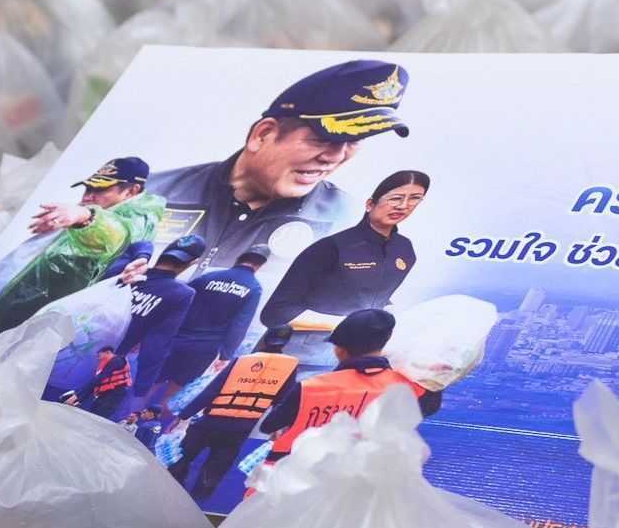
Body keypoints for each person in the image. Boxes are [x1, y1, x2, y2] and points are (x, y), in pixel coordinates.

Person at [145, 60, 411, 271]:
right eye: (324, 139)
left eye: (354, 141)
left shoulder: (351, 224)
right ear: (263, 135)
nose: (335, 157)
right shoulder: (151, 193)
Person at [0, 156, 164, 353]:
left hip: (56, 325)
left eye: (101, 190)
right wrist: (6, 299)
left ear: (131, 191)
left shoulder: (138, 218)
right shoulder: (90, 215)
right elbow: (43, 263)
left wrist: (85, 217)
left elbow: (120, 234)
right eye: (88, 189)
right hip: (25, 311)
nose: (88, 196)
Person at [260, 170, 429, 368]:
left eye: (414, 198)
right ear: (370, 204)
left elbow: (365, 294)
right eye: (396, 198)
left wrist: (389, 313)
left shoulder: (404, 250)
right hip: (301, 357)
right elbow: (276, 312)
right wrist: (348, 323)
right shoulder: (332, 247)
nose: (403, 205)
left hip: (360, 359)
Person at [257, 308, 440, 464]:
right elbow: (428, 408)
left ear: (339, 350)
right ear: (388, 338)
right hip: (355, 485)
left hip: (289, 479)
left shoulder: (309, 387)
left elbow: (269, 425)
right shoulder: (411, 389)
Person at [59, 235, 206, 419]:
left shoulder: (124, 271)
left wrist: (142, 255)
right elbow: (157, 344)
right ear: (192, 263)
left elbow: (137, 244)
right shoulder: (180, 293)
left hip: (67, 357)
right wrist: (141, 391)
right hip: (102, 372)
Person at [167, 325, 300, 500]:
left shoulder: (242, 361)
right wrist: (278, 428)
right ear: (285, 343)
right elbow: (281, 401)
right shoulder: (289, 366)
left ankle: (170, 497)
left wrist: (181, 416)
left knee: (181, 460)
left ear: (264, 340)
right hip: (239, 430)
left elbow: (211, 391)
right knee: (214, 471)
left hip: (209, 422)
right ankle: (195, 504)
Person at [141, 246, 272, 417]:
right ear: (260, 264)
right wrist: (226, 355)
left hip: (176, 339)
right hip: (204, 349)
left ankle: (128, 420)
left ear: (240, 257)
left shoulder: (210, 277)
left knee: (150, 384)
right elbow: (240, 324)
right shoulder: (253, 288)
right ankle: (152, 427)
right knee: (174, 392)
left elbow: (180, 298)